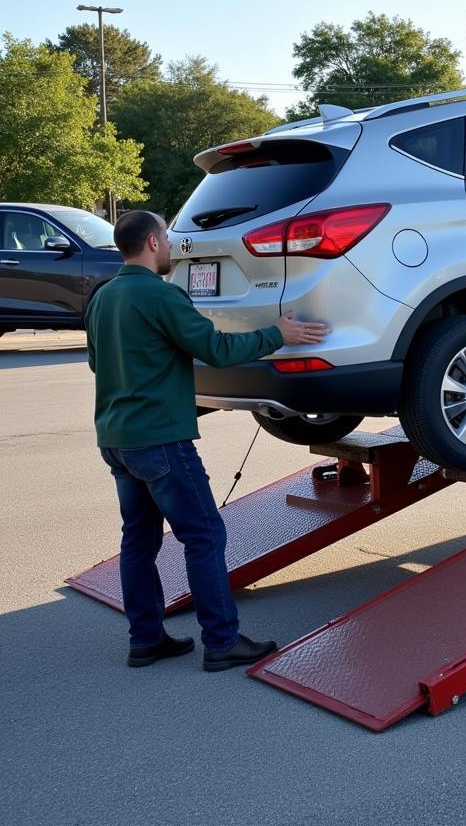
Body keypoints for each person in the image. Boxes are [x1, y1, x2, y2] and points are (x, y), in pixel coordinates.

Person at [85, 210, 329, 670]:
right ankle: (221, 642)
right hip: (161, 440)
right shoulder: (162, 295)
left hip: (117, 440)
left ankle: (146, 638)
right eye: (168, 236)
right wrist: (279, 333)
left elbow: (99, 365)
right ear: (153, 243)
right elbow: (216, 350)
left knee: (138, 540)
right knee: (203, 535)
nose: (173, 244)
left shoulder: (103, 298)